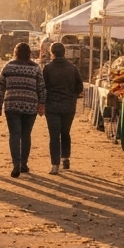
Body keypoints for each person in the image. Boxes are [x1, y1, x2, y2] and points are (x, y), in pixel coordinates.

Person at [0, 41, 47, 178]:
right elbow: (41, 88)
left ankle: (16, 163)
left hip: (12, 105)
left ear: (15, 53)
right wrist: (42, 103)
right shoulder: (35, 68)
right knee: (26, 135)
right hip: (30, 105)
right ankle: (23, 164)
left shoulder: (9, 66)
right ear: (29, 54)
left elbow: (0, 86)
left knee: (14, 134)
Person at [41, 42, 84, 174]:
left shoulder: (48, 69)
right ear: (64, 53)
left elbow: (43, 87)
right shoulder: (72, 68)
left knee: (54, 136)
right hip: (68, 105)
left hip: (52, 105)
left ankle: (55, 165)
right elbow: (80, 87)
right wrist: (72, 96)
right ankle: (65, 158)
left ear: (52, 53)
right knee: (65, 133)